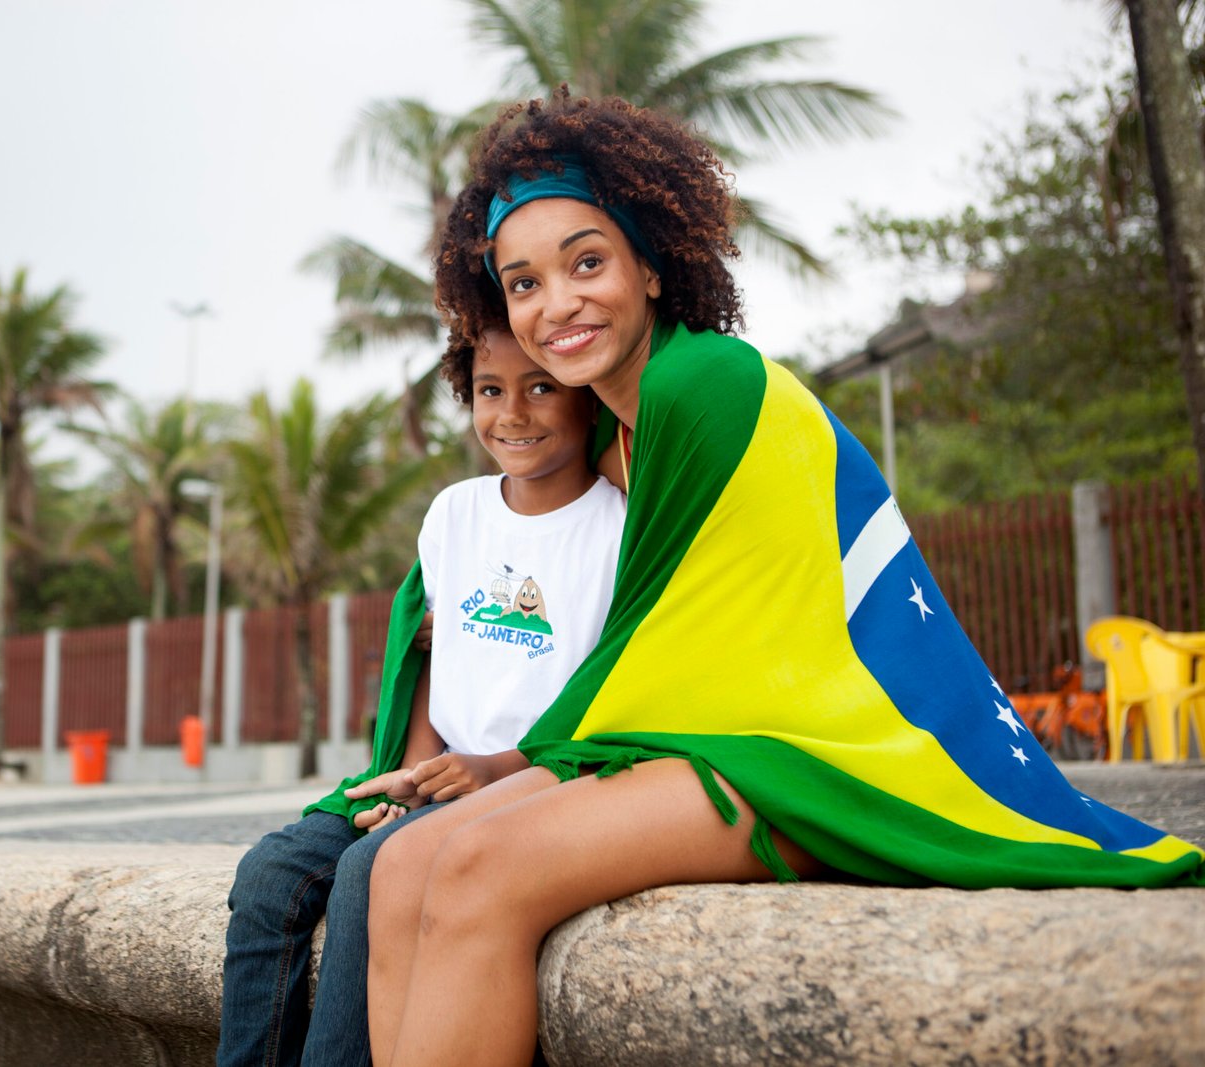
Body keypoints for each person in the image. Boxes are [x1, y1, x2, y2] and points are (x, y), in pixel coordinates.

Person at [365, 90, 1205, 1067]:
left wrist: (532, 762)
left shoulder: (701, 385)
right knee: (403, 862)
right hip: (731, 741)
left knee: (471, 861)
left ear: (648, 262)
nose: (555, 304)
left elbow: (678, 649)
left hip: (821, 750)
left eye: (586, 261)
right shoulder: (630, 426)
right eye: (522, 283)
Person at [217, 328, 627, 1067]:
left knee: (368, 872)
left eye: (542, 387)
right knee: (269, 874)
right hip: (432, 780)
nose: (513, 414)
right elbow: (432, 651)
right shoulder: (455, 513)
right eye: (490, 392)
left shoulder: (617, 527)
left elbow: (614, 700)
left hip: (531, 785)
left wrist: (493, 769)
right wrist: (412, 776)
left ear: (588, 395)